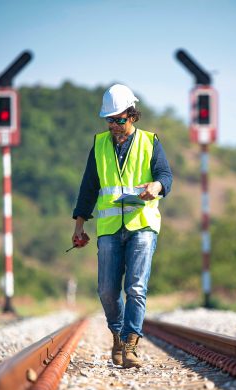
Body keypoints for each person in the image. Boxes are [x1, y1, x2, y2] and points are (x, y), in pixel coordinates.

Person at [72, 84, 173, 368]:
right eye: (110, 120)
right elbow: (89, 188)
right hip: (109, 229)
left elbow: (166, 175)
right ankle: (117, 333)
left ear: (132, 115)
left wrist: (157, 186)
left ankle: (130, 344)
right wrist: (80, 223)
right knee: (106, 290)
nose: (114, 125)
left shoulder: (150, 142)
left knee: (136, 288)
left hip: (142, 224)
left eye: (119, 119)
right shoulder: (100, 144)